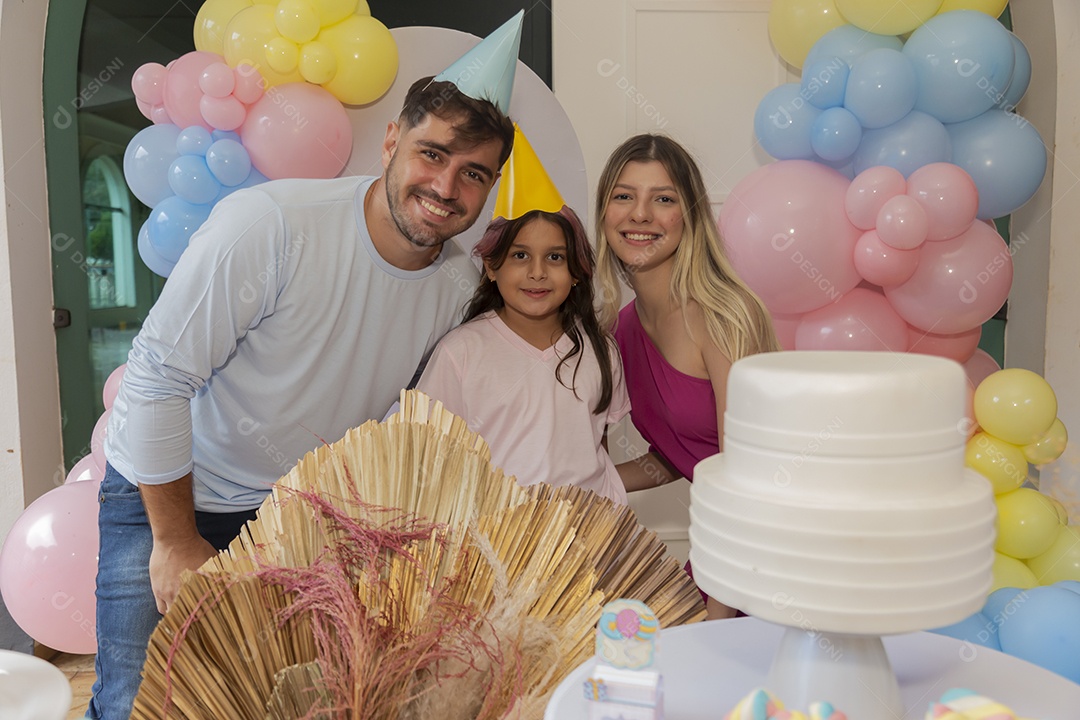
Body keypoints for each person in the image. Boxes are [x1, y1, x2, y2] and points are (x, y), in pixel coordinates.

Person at [88, 16, 523, 714]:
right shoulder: (271, 224)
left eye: (473, 173)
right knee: (140, 702)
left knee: (268, 703)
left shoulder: (458, 289)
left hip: (300, 521)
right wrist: (173, 541)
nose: (446, 186)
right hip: (169, 494)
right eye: (432, 155)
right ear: (391, 141)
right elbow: (158, 377)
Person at [595, 134, 780, 617]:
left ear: (690, 216)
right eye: (623, 196)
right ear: (604, 215)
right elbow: (681, 456)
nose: (640, 215)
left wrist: (718, 618)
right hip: (724, 546)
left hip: (775, 551)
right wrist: (590, 480)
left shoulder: (723, 314)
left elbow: (746, 478)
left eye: (663, 199)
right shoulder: (621, 329)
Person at [416, 127, 630, 504]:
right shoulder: (459, 354)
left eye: (555, 257)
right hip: (498, 544)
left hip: (591, 541)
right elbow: (428, 460)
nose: (537, 273)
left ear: (577, 271)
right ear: (492, 267)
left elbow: (597, 448)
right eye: (519, 256)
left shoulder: (601, 350)